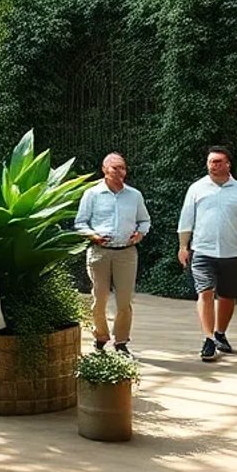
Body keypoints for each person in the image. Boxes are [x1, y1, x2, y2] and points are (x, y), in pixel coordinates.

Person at [176, 146, 237, 362]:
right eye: (211, 161)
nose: (214, 165)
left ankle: (220, 332)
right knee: (205, 293)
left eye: (219, 161)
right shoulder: (196, 188)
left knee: (227, 296)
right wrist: (183, 246)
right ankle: (208, 339)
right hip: (203, 250)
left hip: (233, 252)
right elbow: (186, 220)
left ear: (228, 164)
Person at [74, 152, 151, 355]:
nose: (120, 172)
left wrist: (140, 234)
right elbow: (80, 223)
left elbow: (145, 220)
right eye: (115, 167)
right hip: (100, 252)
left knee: (125, 301)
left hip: (126, 253)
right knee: (99, 299)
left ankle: (121, 342)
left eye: (123, 167)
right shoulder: (92, 194)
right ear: (104, 169)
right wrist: (92, 235)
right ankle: (100, 337)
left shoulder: (134, 195)